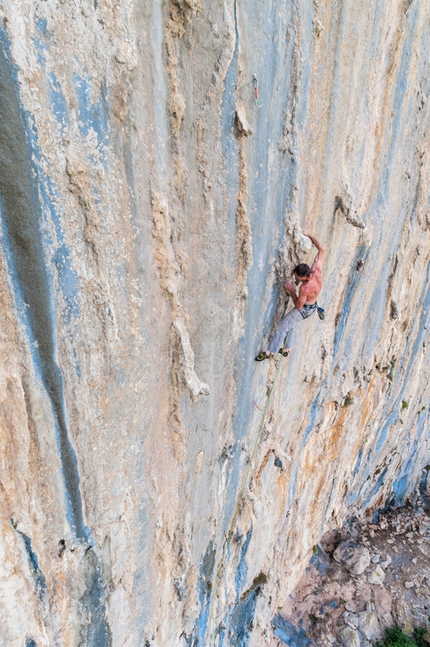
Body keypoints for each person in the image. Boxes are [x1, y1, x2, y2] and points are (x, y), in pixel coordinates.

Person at [255, 230, 325, 361]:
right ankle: (287, 349)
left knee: (281, 327)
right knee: (290, 324)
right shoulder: (317, 269)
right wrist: (310, 235)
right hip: (312, 305)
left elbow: (298, 306)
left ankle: (270, 351)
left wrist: (292, 290)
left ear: (304, 277)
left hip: (304, 309)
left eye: (297, 276)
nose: (295, 277)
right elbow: (322, 248)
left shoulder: (305, 288)